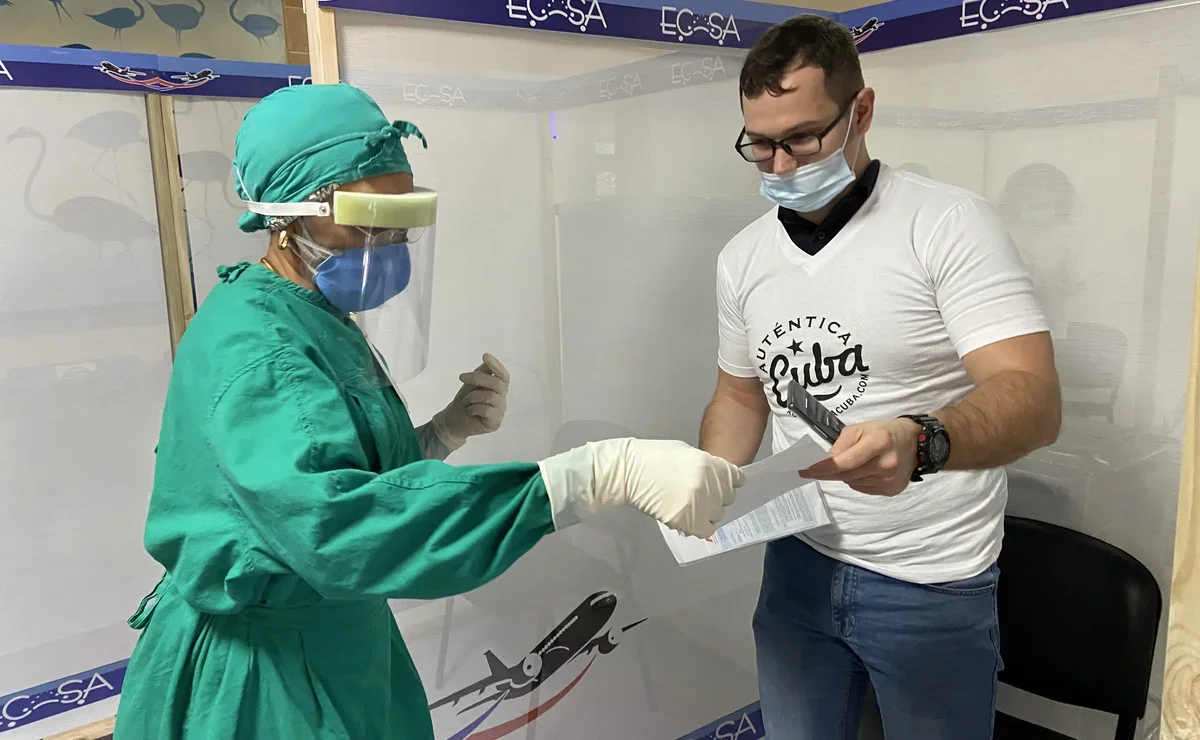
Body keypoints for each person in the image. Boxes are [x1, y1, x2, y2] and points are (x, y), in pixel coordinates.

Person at [113, 83, 744, 740]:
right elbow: (339, 527)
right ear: (288, 215)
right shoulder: (261, 348)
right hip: (270, 671)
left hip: (332, 634)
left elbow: (335, 473)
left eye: (401, 222)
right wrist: (591, 476)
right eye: (368, 220)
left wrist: (444, 432)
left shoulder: (310, 311)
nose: (388, 242)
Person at [699, 16, 1062, 740]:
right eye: (759, 144)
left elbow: (1033, 398)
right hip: (797, 562)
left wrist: (922, 441)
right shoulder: (743, 258)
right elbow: (740, 394)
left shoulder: (948, 225)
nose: (780, 167)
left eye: (803, 138)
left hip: (929, 578)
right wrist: (707, 480)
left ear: (861, 111)